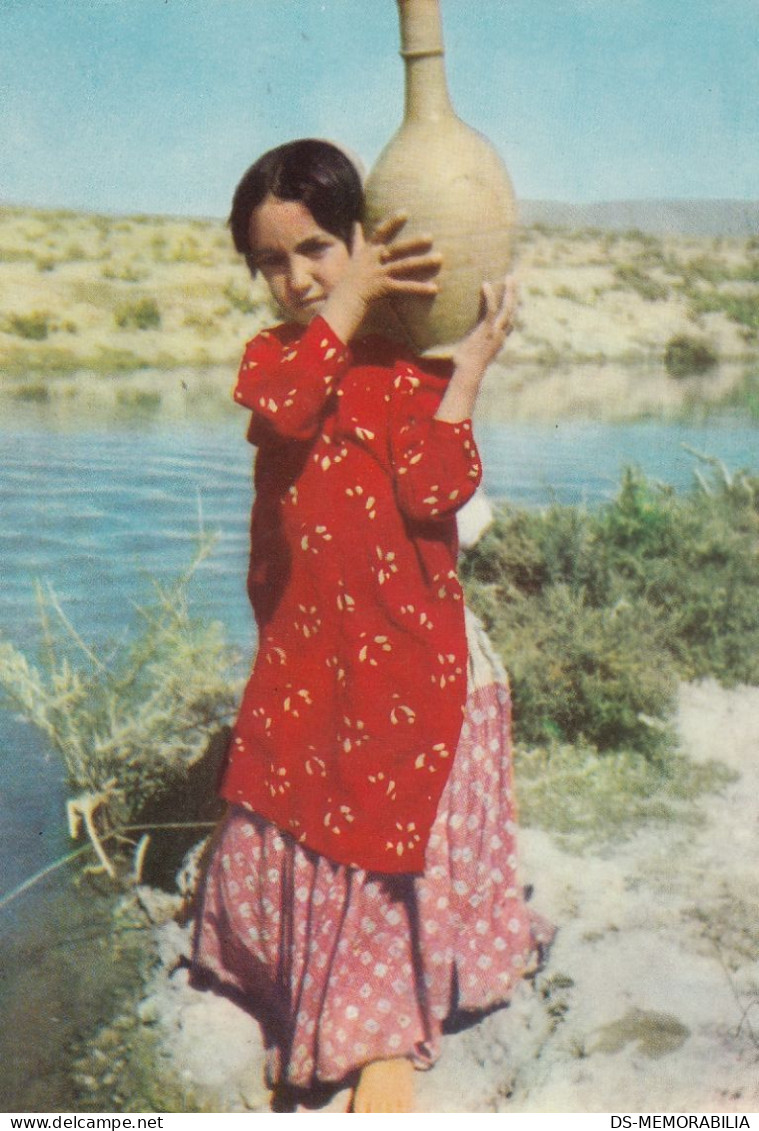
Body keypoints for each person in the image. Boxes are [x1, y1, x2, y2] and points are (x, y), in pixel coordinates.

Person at [191, 138, 553, 1114]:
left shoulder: (401, 375)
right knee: (292, 792)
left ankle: (377, 1034)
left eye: (316, 249)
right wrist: (345, 307)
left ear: (363, 238)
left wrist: (468, 371)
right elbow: (287, 408)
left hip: (402, 646)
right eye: (269, 262)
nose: (295, 279)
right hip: (310, 650)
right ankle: (288, 978)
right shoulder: (276, 361)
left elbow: (438, 486)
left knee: (380, 820)